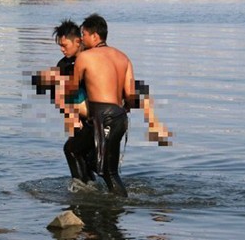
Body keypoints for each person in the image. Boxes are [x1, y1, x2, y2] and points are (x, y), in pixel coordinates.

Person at [61, 13, 170, 197]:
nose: (82, 39)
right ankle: (87, 191)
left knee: (107, 171)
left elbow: (71, 91)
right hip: (119, 117)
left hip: (102, 117)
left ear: (94, 35)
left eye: (84, 35)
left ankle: (116, 205)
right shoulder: (123, 57)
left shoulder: (85, 57)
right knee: (75, 150)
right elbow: (130, 95)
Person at [52, 20, 96, 186]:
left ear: (78, 41)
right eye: (60, 46)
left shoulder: (93, 58)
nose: (62, 49)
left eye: (64, 45)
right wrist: (71, 119)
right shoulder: (63, 65)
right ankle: (84, 187)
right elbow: (60, 95)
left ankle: (86, 189)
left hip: (98, 116)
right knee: (75, 151)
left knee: (90, 159)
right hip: (78, 117)